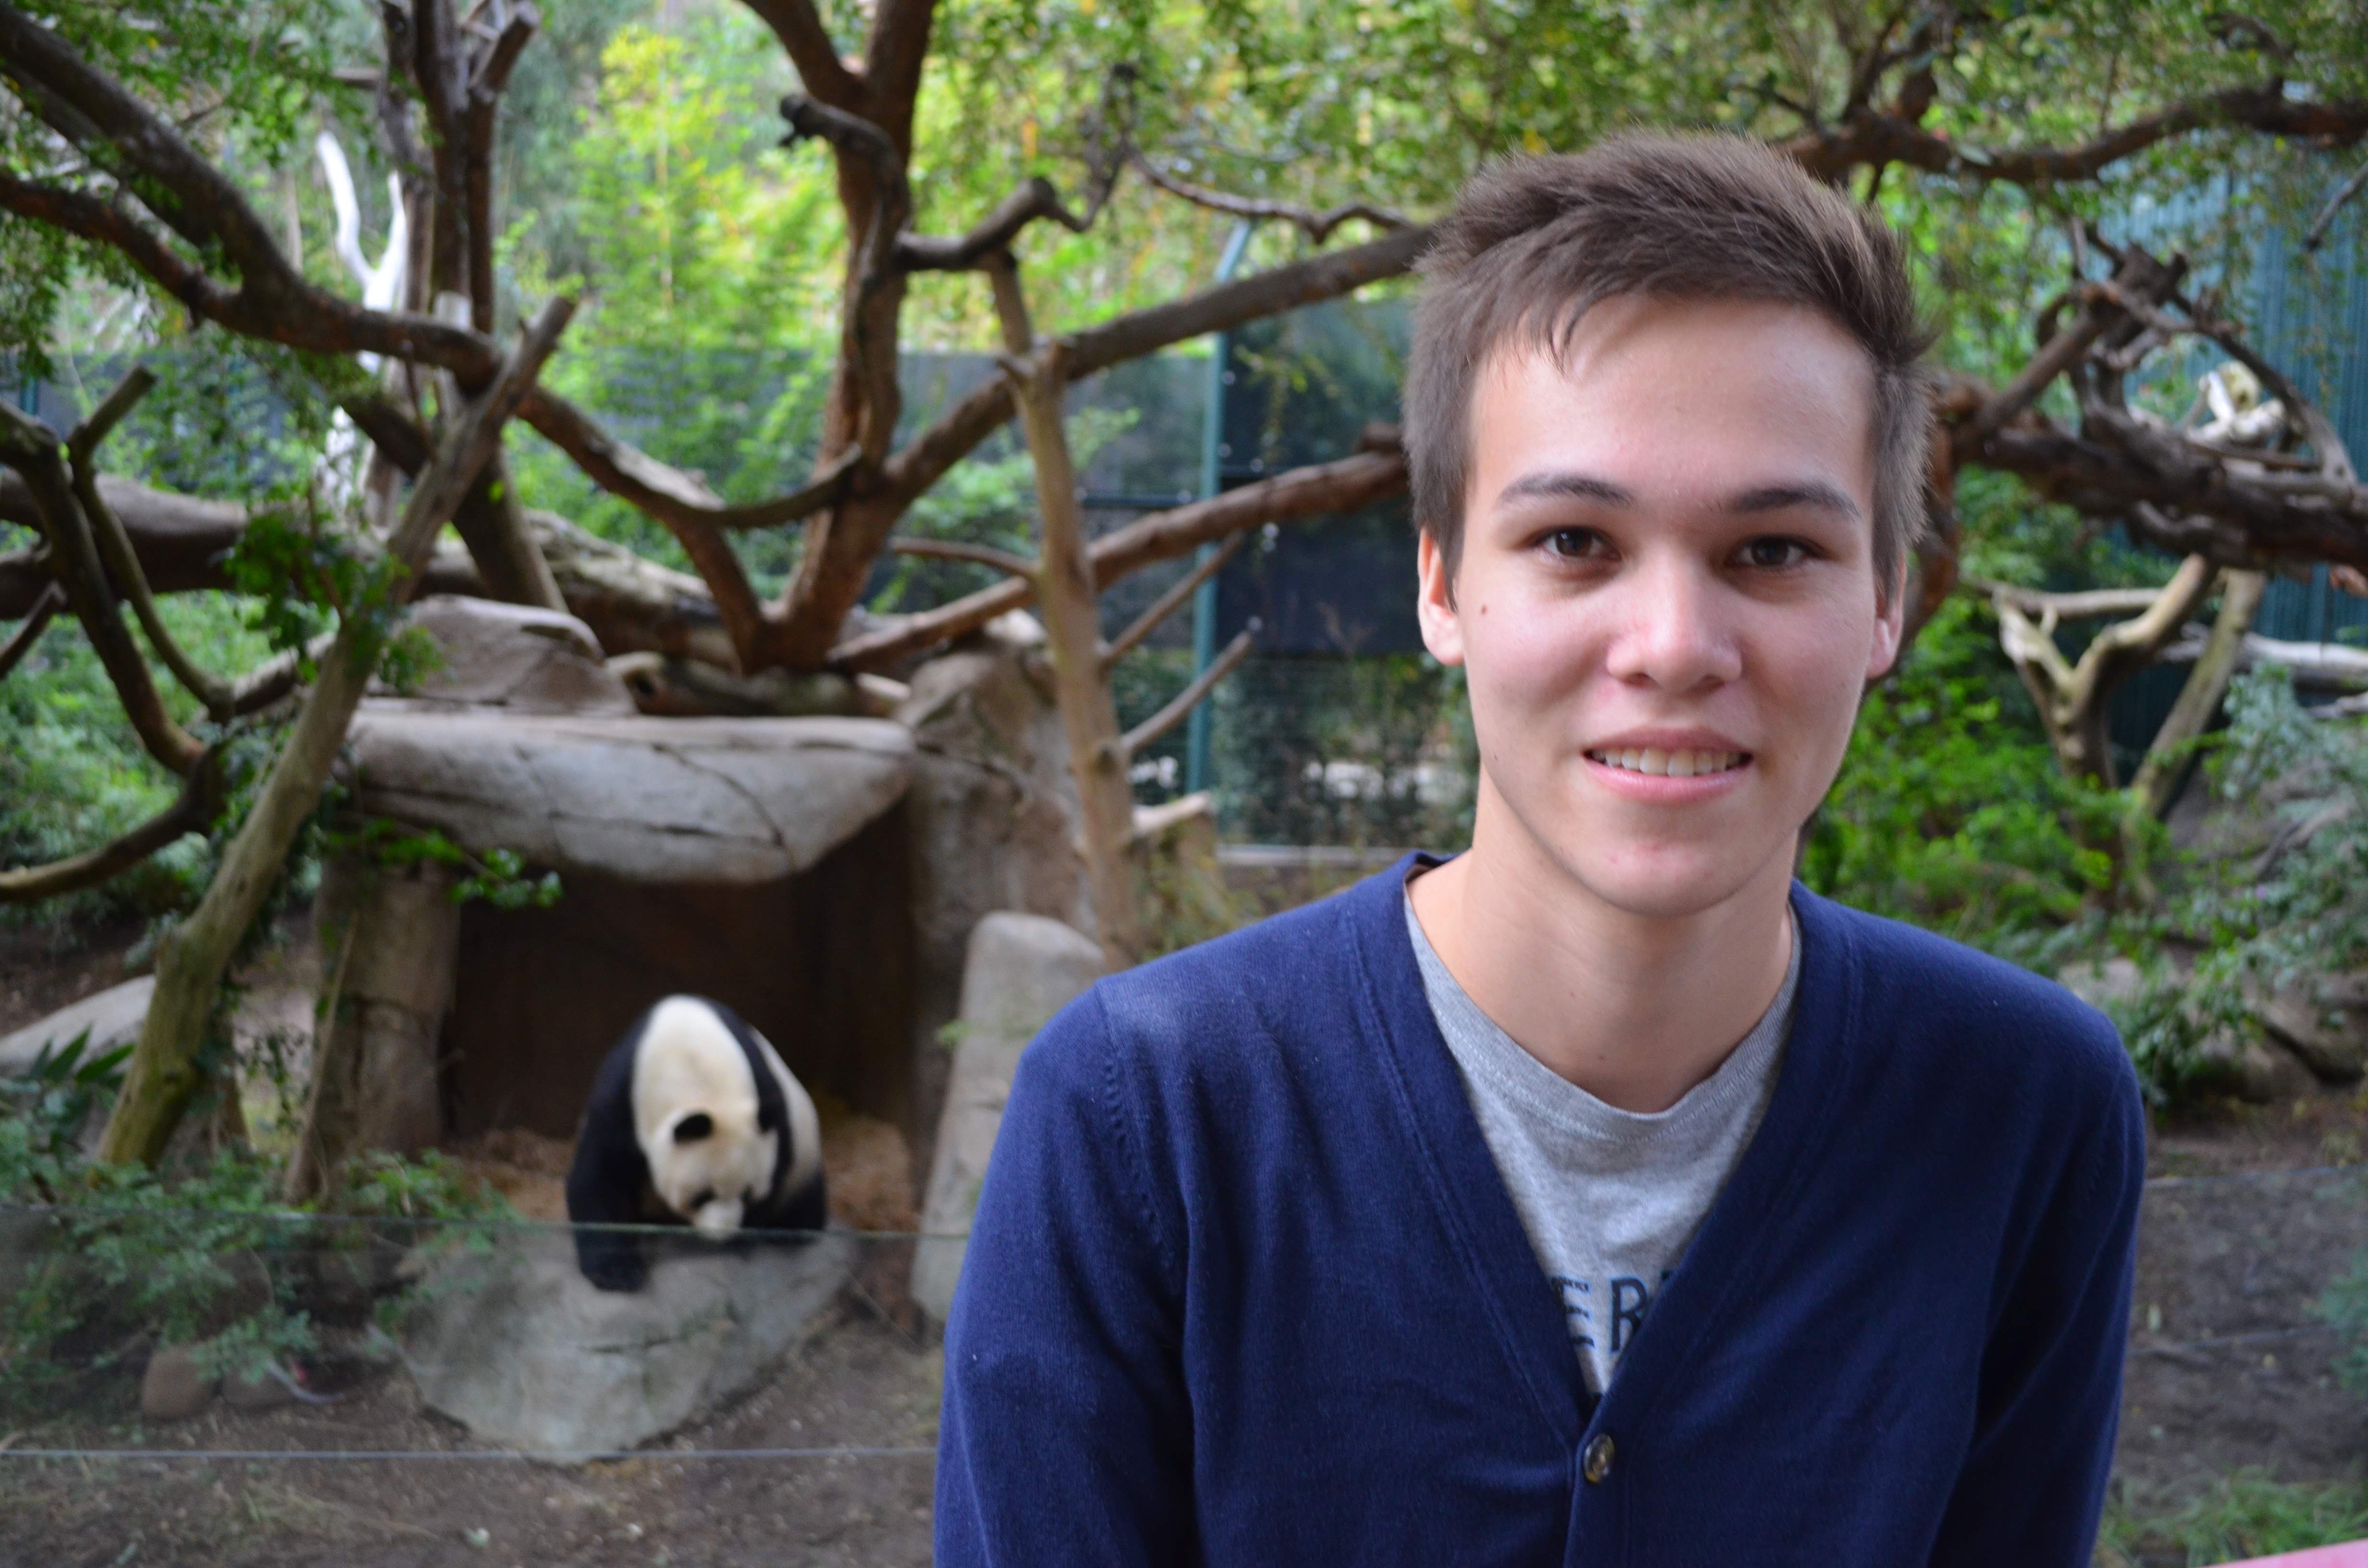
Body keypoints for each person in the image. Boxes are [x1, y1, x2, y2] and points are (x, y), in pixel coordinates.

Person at [935, 134, 2144, 1567]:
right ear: (1444, 583)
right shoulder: (1146, 1124)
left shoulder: (2025, 1117)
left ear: (1888, 596)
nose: (1676, 648)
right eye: (1576, 541)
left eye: (1773, 551)